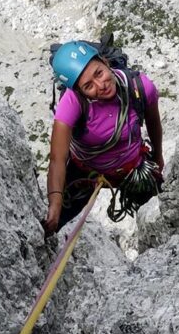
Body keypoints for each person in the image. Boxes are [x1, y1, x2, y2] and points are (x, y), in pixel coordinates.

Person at [44, 41, 164, 234]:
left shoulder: (139, 87)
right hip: (85, 171)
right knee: (53, 222)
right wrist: (55, 201)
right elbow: (57, 159)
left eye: (99, 73)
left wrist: (158, 158)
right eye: (88, 86)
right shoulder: (73, 102)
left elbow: (153, 124)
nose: (101, 85)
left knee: (162, 214)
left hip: (132, 166)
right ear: (78, 90)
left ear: (105, 62)